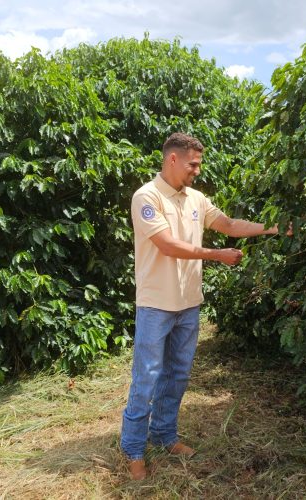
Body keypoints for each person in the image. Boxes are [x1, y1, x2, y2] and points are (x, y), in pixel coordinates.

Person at [121, 132, 288, 480]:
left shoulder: (195, 198)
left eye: (199, 164)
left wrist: (273, 228)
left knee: (178, 375)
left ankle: (166, 436)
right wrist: (216, 255)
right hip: (155, 305)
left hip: (188, 304)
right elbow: (167, 245)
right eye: (193, 164)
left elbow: (227, 224)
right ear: (173, 159)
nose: (197, 170)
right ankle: (134, 450)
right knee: (147, 378)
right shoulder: (146, 197)